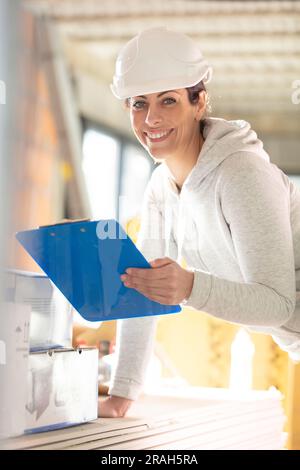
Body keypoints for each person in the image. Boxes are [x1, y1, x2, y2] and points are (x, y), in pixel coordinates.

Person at [98, 27, 300, 418]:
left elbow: (277, 304)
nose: (151, 118)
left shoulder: (240, 173)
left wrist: (189, 286)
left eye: (168, 101)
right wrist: (122, 395)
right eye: (139, 103)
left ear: (198, 102)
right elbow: (144, 289)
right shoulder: (160, 188)